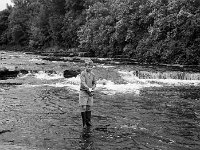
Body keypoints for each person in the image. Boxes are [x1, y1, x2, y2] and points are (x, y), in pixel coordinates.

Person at [79, 60, 96, 128]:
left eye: (91, 67)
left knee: (89, 107)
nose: (90, 68)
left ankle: (88, 121)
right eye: (88, 67)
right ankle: (84, 124)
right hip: (83, 91)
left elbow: (94, 83)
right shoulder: (82, 73)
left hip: (90, 92)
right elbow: (83, 83)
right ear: (85, 66)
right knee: (84, 107)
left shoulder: (93, 74)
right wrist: (88, 88)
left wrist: (93, 88)